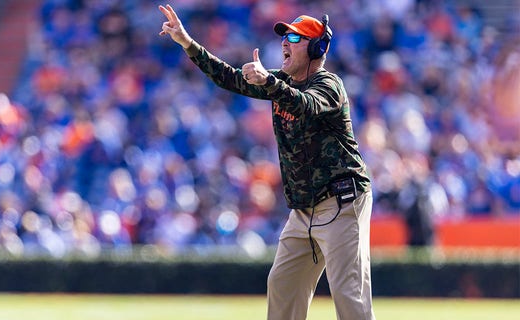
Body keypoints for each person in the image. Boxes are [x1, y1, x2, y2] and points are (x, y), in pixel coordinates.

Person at [159, 4, 375, 320]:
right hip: (304, 211)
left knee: (349, 297)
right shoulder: (279, 81)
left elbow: (305, 104)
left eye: (296, 37)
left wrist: (268, 83)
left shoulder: (330, 85)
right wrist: (188, 43)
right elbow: (228, 78)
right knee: (282, 286)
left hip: (342, 202)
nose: (285, 42)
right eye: (285, 36)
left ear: (317, 48)